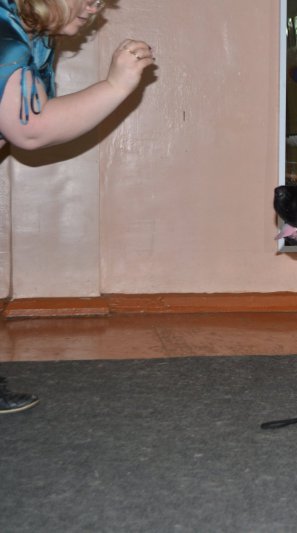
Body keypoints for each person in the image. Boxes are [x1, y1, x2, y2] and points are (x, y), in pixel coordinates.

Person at [0, 0, 155, 414]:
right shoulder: (6, 36)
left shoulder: (24, 34)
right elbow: (29, 130)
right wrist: (116, 86)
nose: (95, 7)